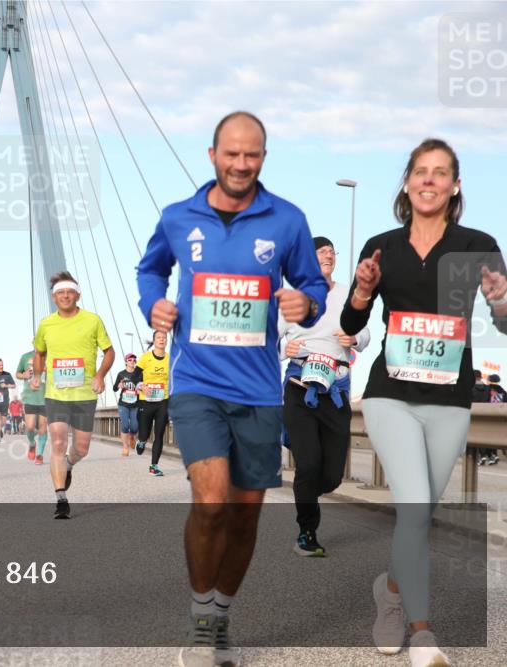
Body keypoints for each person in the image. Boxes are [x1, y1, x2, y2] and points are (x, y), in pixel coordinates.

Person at [136, 111, 328, 667]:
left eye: (252, 154)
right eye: (232, 153)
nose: (241, 164)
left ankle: (221, 614)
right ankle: (201, 621)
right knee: (213, 498)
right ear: (212, 155)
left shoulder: (287, 220)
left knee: (245, 516)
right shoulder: (178, 217)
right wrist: (153, 303)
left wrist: (307, 302)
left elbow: (312, 285)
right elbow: (150, 270)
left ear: (263, 157)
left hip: (260, 391)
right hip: (196, 381)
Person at [340, 138, 506, 665]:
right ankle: (423, 633)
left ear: (455, 185)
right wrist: (362, 290)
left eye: (440, 172)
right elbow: (351, 322)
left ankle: (389, 591)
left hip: (450, 398)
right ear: (408, 183)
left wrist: (501, 298)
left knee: (420, 515)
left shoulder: (477, 244)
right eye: (420, 171)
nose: (429, 179)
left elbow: (504, 321)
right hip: (391, 394)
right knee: (414, 508)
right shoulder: (381, 247)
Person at [278, 236, 371, 556]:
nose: (328, 254)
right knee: (309, 463)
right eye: (321, 251)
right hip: (300, 386)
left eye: (332, 251)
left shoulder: (347, 294)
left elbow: (365, 332)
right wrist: (285, 347)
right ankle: (307, 532)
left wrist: (354, 338)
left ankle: (305, 493)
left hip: (336, 391)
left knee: (330, 477)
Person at [31, 271, 115, 520]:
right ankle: (61, 499)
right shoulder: (46, 324)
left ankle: (69, 464)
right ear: (54, 297)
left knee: (81, 448)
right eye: (60, 292)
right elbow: (39, 353)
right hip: (56, 394)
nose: (65, 296)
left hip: (84, 394)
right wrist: (37, 375)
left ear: (78, 295)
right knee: (58, 443)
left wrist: (100, 375)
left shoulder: (92, 320)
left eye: (70, 292)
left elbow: (109, 352)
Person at [135, 330, 171, 476]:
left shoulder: (170, 359)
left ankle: (154, 466)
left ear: (166, 341)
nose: (162, 340)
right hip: (146, 401)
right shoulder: (145, 358)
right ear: (154, 341)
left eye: (164, 338)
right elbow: (135, 376)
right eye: (159, 337)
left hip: (163, 400)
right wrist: (141, 386)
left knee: (159, 434)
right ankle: (141, 441)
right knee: (144, 433)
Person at [17, 349, 49, 463]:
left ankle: (39, 455)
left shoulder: (51, 354)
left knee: (43, 426)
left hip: (46, 397)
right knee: (30, 427)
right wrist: (23, 375)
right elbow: (17, 374)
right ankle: (32, 443)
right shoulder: (26, 356)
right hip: (30, 397)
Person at [112, 353, 142, 457]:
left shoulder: (140, 374)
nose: (132, 361)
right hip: (123, 404)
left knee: (134, 427)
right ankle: (125, 447)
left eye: (134, 360)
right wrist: (118, 385)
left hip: (135, 405)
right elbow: (114, 388)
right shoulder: (121, 374)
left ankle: (132, 436)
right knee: (125, 426)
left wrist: (141, 390)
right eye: (130, 360)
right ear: (126, 362)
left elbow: (143, 386)